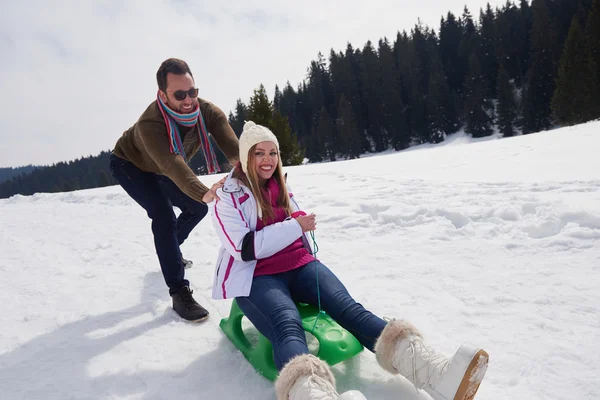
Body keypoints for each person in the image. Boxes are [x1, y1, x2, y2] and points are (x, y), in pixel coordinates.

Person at [203, 121, 489, 400]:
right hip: (256, 277)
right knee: (287, 324)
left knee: (350, 309)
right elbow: (245, 248)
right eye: (258, 153)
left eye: (272, 152)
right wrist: (295, 227)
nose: (267, 160)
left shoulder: (280, 186)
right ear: (245, 157)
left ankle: (436, 376)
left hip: (299, 264)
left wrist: (296, 225)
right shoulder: (226, 197)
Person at [109, 58, 239, 322]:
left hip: (161, 168)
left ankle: (170, 250)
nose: (189, 100)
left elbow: (232, 146)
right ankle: (179, 291)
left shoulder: (206, 111)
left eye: (193, 91)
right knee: (164, 215)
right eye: (180, 94)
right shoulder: (150, 124)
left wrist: (251, 172)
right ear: (162, 95)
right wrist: (205, 190)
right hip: (130, 165)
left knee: (196, 208)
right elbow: (172, 165)